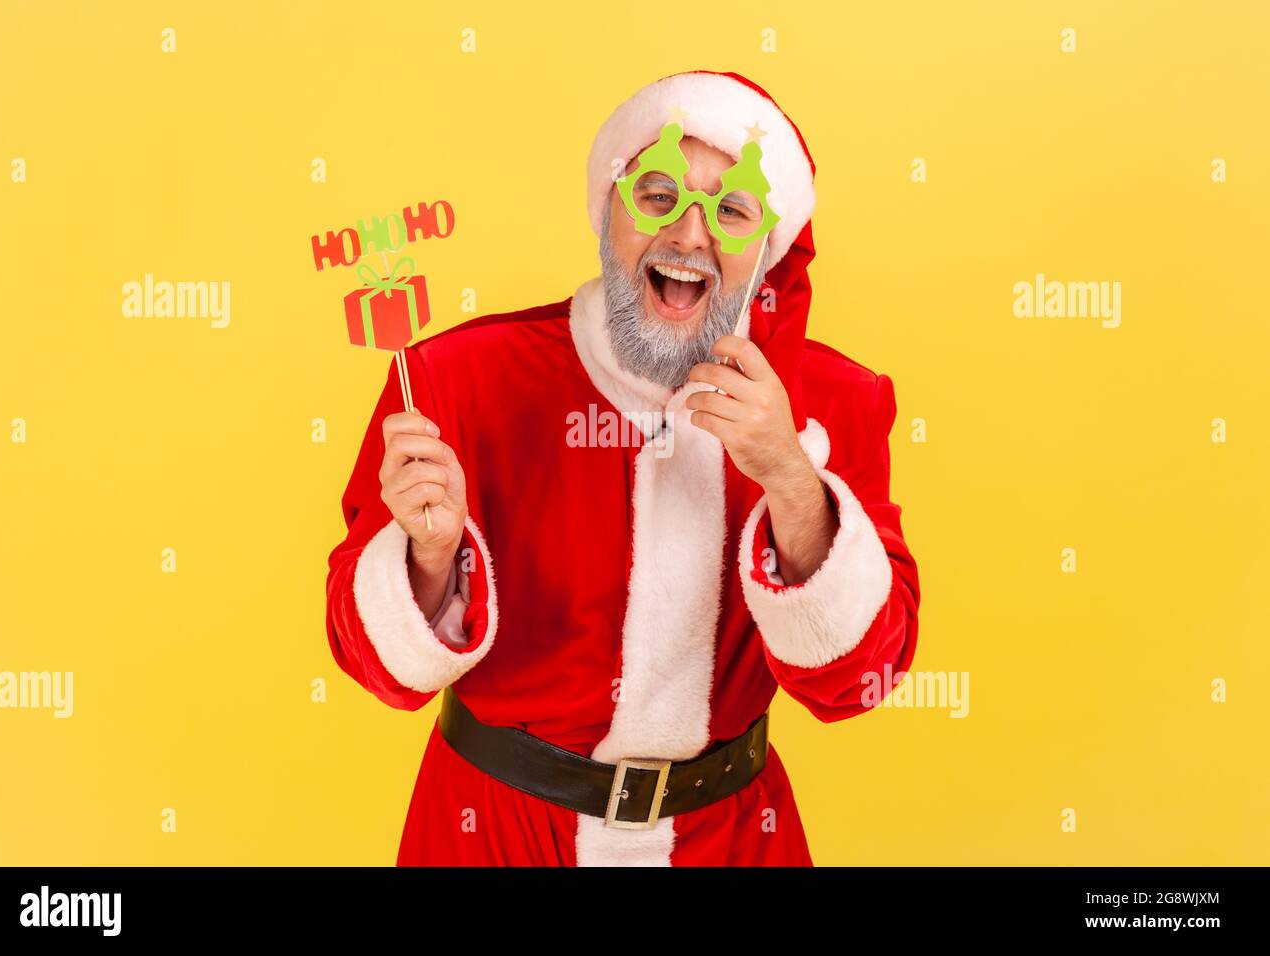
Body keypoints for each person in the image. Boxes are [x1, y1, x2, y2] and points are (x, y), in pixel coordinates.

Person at [325, 69, 921, 866]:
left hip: (730, 840)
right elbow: (378, 669)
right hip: (493, 835)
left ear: (767, 252)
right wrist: (430, 561)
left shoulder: (832, 404)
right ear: (609, 211)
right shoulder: (452, 379)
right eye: (658, 196)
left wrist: (791, 478)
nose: (689, 235)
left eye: (732, 211)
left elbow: (861, 682)